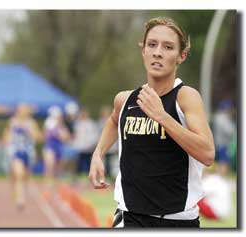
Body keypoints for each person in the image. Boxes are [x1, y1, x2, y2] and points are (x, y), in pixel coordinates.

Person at [89, 17, 215, 228]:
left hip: (175, 221)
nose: (158, 52)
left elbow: (208, 153)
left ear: (181, 56)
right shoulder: (126, 100)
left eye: (168, 47)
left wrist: (162, 116)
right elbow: (113, 121)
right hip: (129, 218)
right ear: (143, 50)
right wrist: (97, 154)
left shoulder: (185, 98)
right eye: (152, 44)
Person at [3, 103, 43, 210]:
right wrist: (7, 140)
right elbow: (7, 135)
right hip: (16, 151)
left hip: (28, 152)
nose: (21, 112)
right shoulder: (12, 122)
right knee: (18, 174)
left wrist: (30, 132)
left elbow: (39, 137)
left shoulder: (31, 122)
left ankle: (19, 192)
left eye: (24, 110)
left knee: (25, 176)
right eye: (20, 110)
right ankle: (20, 199)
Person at [42, 106, 71, 188]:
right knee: (49, 164)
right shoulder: (49, 123)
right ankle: (48, 183)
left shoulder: (62, 125)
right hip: (50, 146)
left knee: (58, 168)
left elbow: (66, 137)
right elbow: (46, 135)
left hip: (59, 147)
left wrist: (61, 134)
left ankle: (56, 185)